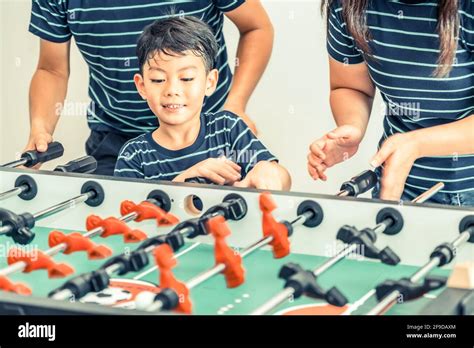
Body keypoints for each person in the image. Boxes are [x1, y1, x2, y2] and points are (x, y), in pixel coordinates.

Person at [27, 0, 273, 174]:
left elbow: (256, 27)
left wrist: (235, 105)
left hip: (208, 135)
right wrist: (40, 127)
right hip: (117, 138)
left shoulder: (228, 132)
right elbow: (51, 69)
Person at [308, 0, 474, 206]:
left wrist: (416, 144)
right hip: (397, 185)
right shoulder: (347, 6)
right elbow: (350, 86)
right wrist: (352, 126)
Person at [114, 17, 291, 191]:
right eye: (158, 79)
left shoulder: (228, 129)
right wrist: (185, 181)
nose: (172, 90)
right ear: (142, 86)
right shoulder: (134, 156)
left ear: (210, 82)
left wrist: (269, 171)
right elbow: (129, 214)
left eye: (187, 78)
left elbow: (283, 180)